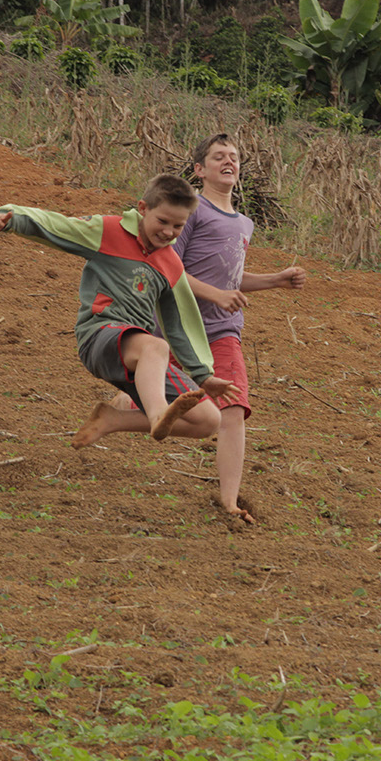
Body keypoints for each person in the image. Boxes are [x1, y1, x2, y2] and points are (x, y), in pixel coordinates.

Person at [115, 134, 306, 525]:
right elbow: (169, 266)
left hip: (222, 330)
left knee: (232, 408)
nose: (228, 161)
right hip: (178, 325)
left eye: (234, 156)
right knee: (161, 401)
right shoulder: (192, 212)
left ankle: (230, 501)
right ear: (199, 170)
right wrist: (217, 294)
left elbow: (230, 277)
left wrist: (275, 280)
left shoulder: (244, 222)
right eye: (218, 157)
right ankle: (120, 411)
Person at [0, 173, 239, 450]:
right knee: (156, 346)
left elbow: (180, 324)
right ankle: (158, 414)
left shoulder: (172, 264)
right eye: (162, 221)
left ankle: (113, 419)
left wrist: (203, 375)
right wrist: (9, 218)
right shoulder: (108, 231)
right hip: (99, 336)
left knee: (208, 420)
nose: (168, 232)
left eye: (178, 226)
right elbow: (58, 226)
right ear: (143, 209)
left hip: (136, 357)